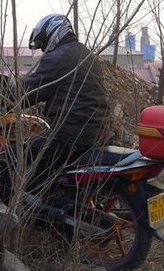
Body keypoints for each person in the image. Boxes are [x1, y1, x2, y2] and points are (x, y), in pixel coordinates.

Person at [8, 14, 110, 206]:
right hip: (97, 133)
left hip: (71, 136)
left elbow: (29, 91)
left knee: (12, 154)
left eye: (43, 43)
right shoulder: (87, 54)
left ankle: (19, 211)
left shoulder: (59, 57)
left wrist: (6, 96)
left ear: (53, 33)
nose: (44, 49)